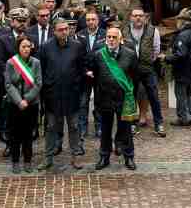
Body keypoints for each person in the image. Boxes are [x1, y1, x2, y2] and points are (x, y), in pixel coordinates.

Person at [87, 25, 139, 170]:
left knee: (126, 130)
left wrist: (132, 98)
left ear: (120, 39)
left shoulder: (130, 54)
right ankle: (104, 156)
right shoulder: (98, 55)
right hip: (105, 98)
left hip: (124, 99)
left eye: (114, 37)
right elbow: (94, 78)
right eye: (109, 37)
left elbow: (135, 77)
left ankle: (129, 157)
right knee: (105, 129)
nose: (111, 39)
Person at [38, 18, 86, 171]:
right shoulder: (45, 47)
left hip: (72, 94)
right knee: (51, 127)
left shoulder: (77, 46)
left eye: (66, 29)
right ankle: (48, 157)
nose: (64, 32)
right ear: (54, 31)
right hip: (52, 95)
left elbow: (81, 68)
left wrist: (77, 85)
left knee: (74, 126)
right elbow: (42, 69)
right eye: (61, 29)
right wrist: (47, 87)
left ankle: (75, 156)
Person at [122, 6, 166, 137]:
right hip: (131, 70)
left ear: (145, 18)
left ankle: (159, 124)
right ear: (131, 17)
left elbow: (156, 49)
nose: (138, 18)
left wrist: (147, 60)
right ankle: (133, 124)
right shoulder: (124, 31)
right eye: (135, 15)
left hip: (147, 69)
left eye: (140, 15)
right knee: (131, 97)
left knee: (154, 96)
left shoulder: (153, 31)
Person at [0, 5, 29, 149]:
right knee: (8, 114)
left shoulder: (30, 37)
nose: (22, 23)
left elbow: (34, 59)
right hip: (8, 84)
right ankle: (9, 144)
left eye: (24, 20)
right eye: (19, 20)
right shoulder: (3, 39)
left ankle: (24, 142)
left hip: (26, 83)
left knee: (23, 114)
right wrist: (12, 77)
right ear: (12, 22)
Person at [4, 35, 42, 173]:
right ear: (18, 48)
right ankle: (15, 161)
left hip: (31, 104)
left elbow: (38, 84)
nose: (26, 49)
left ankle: (27, 160)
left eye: (28, 46)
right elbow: (8, 84)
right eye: (23, 46)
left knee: (28, 133)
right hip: (14, 104)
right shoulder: (11, 63)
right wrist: (19, 100)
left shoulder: (36, 63)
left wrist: (27, 99)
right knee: (14, 134)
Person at [162, 9, 191, 126]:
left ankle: (183, 117)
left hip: (182, 69)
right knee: (189, 93)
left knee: (180, 94)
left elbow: (181, 54)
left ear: (182, 21)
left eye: (178, 19)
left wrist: (166, 57)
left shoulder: (183, 35)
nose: (177, 22)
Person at [75, 10, 106, 139]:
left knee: (99, 102)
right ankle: (82, 128)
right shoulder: (79, 35)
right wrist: (85, 71)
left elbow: (107, 55)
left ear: (98, 20)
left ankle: (99, 127)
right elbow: (77, 57)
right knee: (83, 102)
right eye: (88, 20)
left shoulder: (105, 35)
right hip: (84, 74)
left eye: (93, 19)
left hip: (99, 74)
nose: (90, 22)